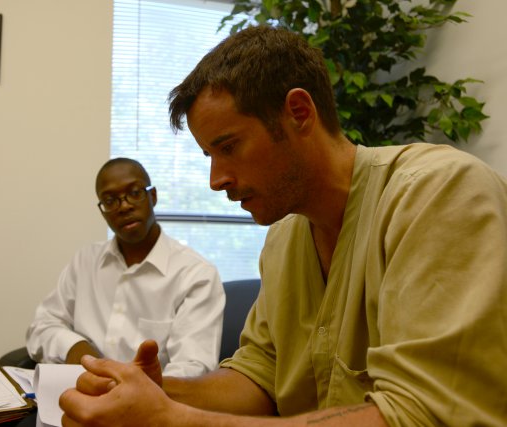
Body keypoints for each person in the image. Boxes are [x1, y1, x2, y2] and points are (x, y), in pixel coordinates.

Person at [59, 26, 507, 426]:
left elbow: (422, 414)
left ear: (299, 112)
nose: (217, 180)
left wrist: (173, 420)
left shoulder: (439, 194)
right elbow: (260, 378)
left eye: (229, 146)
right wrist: (160, 391)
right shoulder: (285, 236)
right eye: (209, 156)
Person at [26, 157, 225, 377]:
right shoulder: (85, 261)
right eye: (110, 200)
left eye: (135, 193)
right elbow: (41, 328)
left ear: (153, 196)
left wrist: (132, 390)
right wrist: (77, 349)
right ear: (102, 210)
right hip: (80, 390)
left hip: (153, 402)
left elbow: (193, 368)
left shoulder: (196, 274)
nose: (124, 206)